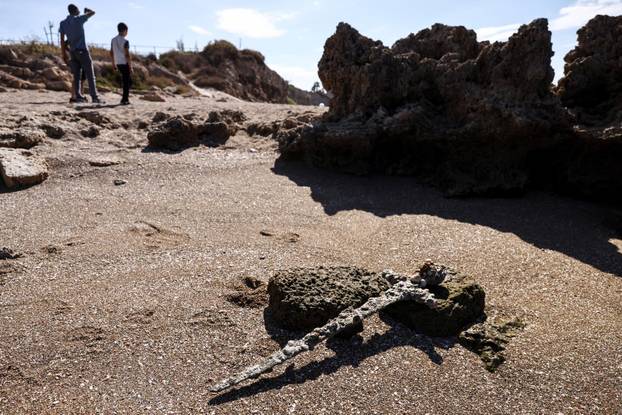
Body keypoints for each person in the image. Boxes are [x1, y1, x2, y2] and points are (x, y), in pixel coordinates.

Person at [59, 4, 104, 104]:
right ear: (75, 10)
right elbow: (93, 13)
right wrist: (87, 11)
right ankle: (95, 97)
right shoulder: (79, 19)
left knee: (77, 76)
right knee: (90, 75)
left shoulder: (63, 23)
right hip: (83, 51)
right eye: (78, 10)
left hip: (72, 52)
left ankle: (78, 97)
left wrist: (64, 54)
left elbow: (62, 41)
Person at [110, 23, 133, 105]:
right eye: (127, 31)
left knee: (127, 81)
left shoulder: (113, 40)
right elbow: (127, 55)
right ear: (124, 30)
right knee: (127, 82)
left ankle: (124, 97)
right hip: (124, 62)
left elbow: (111, 53)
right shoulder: (125, 41)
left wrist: (113, 64)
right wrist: (130, 66)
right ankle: (124, 99)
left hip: (118, 63)